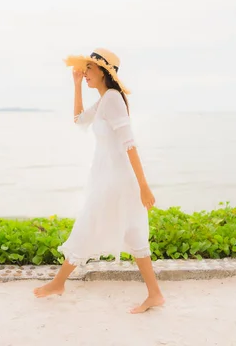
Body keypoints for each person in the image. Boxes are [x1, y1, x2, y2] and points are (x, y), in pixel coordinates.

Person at [33, 48, 165, 314]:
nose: (86, 73)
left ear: (105, 72)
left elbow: (130, 144)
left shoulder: (114, 99)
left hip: (117, 181)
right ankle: (155, 294)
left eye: (89, 69)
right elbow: (78, 119)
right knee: (131, 232)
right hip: (108, 178)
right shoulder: (105, 100)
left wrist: (143, 185)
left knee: (91, 225)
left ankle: (59, 283)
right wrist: (77, 84)